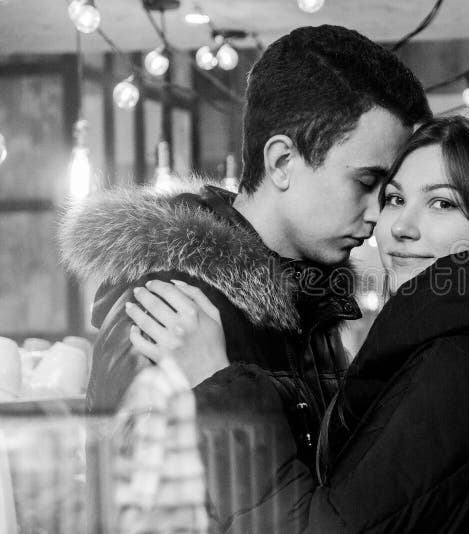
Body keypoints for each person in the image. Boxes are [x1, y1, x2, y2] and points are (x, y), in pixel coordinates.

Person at [128, 116, 469, 533]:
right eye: (394, 199)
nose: (400, 228)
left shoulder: (465, 363)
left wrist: (214, 383)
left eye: (441, 204)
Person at [58, 24, 431, 529]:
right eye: (366, 182)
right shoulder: (171, 306)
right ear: (282, 161)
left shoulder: (308, 301)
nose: (377, 215)